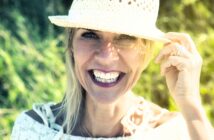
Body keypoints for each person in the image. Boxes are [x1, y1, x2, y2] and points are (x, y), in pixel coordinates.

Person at [11, 0, 214, 139]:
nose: (106, 58)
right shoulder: (32, 130)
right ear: (71, 45)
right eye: (90, 35)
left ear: (145, 51)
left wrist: (190, 104)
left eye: (125, 37)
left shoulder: (173, 132)